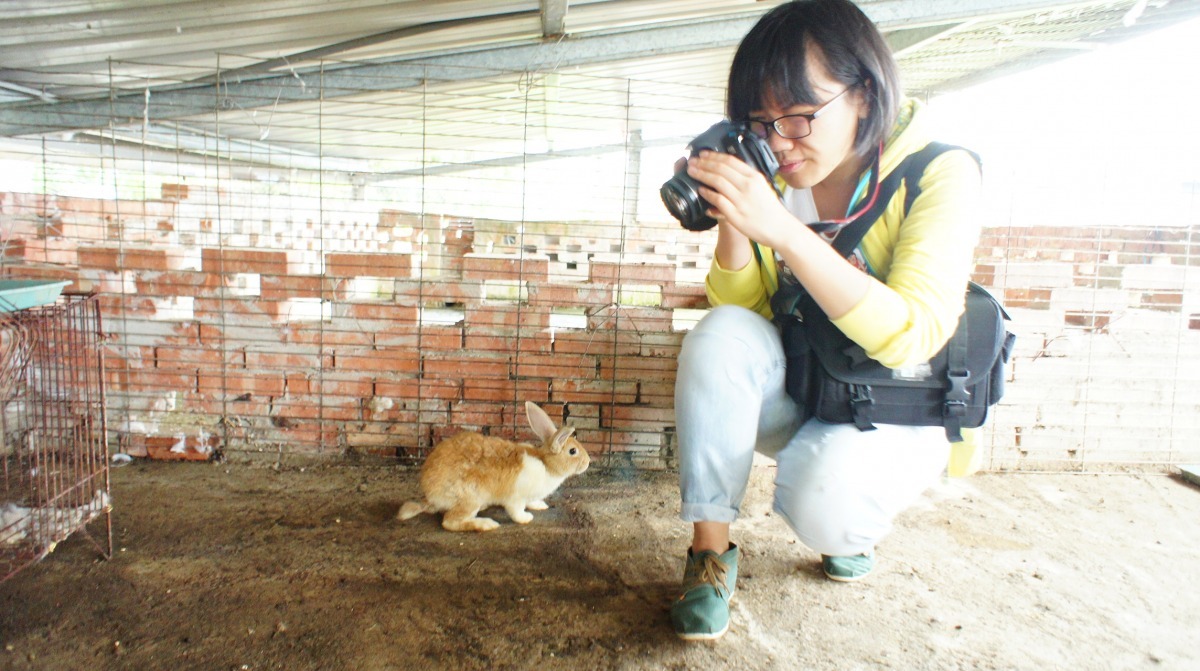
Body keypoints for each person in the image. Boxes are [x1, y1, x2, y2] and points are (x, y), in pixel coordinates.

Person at [670, 0, 983, 641]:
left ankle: (849, 524)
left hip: (897, 403)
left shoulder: (939, 172)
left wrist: (782, 228)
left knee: (822, 504)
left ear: (864, 95)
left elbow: (915, 333)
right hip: (810, 382)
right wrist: (735, 211)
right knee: (716, 336)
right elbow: (741, 317)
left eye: (798, 117)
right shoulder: (778, 179)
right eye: (760, 122)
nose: (779, 142)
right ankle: (708, 557)